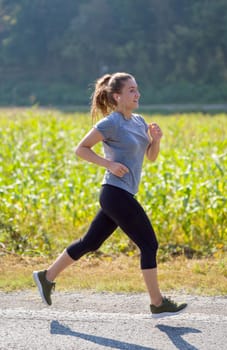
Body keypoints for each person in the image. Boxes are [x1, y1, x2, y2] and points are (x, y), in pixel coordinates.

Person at [33, 72, 187, 318]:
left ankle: (46, 276)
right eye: (132, 91)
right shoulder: (110, 122)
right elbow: (81, 149)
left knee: (90, 243)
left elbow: (150, 156)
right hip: (115, 193)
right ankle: (157, 304)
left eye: (137, 89)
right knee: (149, 244)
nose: (138, 94)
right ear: (117, 96)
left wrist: (156, 140)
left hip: (123, 193)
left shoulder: (139, 121)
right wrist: (109, 164)